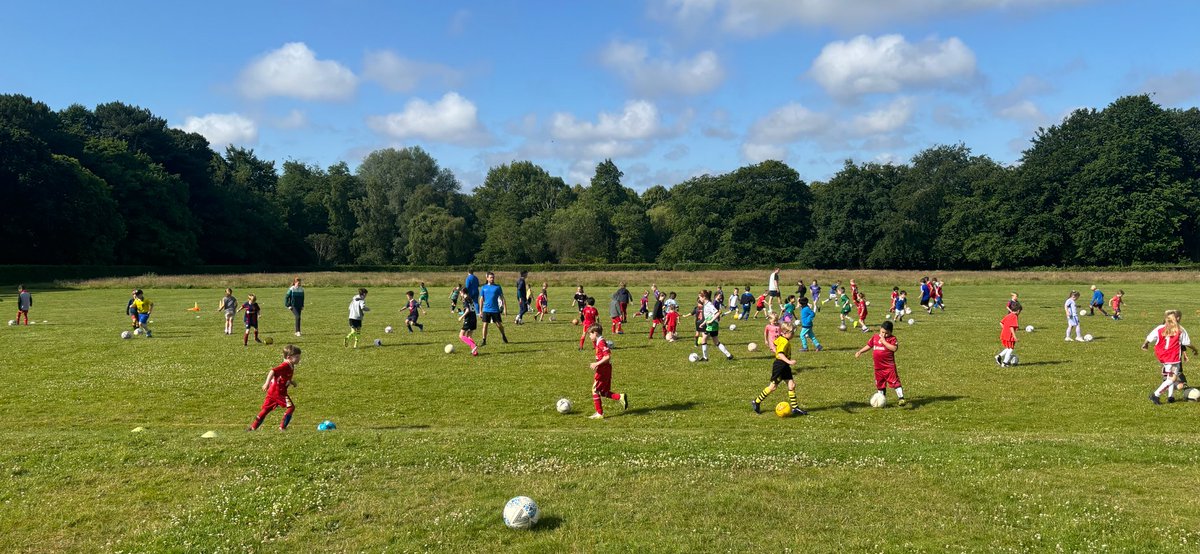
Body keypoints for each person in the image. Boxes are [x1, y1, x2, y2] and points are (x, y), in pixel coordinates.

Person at [750, 322, 806, 416]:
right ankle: (756, 401)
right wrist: (789, 361)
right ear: (785, 333)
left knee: (791, 385)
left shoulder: (782, 338)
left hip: (785, 366)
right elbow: (780, 354)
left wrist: (775, 349)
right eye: (792, 333)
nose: (793, 335)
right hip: (780, 366)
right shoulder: (784, 341)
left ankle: (795, 408)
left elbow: (774, 343)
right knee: (773, 387)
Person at [1143, 310, 1197, 404]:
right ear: (1177, 318)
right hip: (1172, 357)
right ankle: (1155, 395)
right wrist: (1195, 349)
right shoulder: (1180, 329)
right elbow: (1187, 343)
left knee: (1170, 376)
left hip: (1163, 356)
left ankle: (1170, 397)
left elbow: (1149, 338)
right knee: (1172, 379)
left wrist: (1145, 344)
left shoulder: (1160, 328)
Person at [247, 344, 301, 431]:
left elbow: (284, 376)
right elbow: (272, 371)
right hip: (279, 392)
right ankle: (282, 427)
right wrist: (266, 383)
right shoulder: (285, 365)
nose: (299, 359)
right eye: (297, 357)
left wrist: (291, 382)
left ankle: (253, 427)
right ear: (289, 357)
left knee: (266, 409)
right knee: (291, 407)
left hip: (273, 391)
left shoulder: (291, 365)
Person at [856, 320, 907, 406]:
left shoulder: (892, 339)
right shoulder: (875, 337)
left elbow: (894, 348)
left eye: (886, 333)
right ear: (880, 329)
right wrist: (860, 351)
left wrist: (884, 342)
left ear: (891, 332)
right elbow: (869, 345)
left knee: (894, 382)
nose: (883, 335)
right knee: (880, 384)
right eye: (882, 332)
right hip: (878, 367)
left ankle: (901, 398)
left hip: (889, 367)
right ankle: (881, 400)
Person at [587, 324, 628, 419]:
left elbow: (607, 356)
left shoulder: (601, 342)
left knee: (595, 390)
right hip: (605, 368)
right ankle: (620, 397)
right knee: (603, 391)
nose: (589, 336)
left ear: (595, 333)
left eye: (590, 334)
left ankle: (599, 413)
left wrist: (596, 363)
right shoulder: (599, 341)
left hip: (603, 369)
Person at [699, 289, 734, 361]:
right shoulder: (706, 304)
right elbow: (709, 316)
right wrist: (703, 323)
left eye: (700, 297)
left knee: (703, 339)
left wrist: (711, 321)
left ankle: (705, 357)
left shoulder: (709, 304)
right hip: (712, 325)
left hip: (712, 325)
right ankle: (729, 355)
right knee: (716, 342)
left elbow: (717, 313)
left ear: (704, 297)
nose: (699, 299)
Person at [477, 271, 509, 346]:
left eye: (493, 277)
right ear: (487, 278)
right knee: (485, 325)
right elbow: (481, 299)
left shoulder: (497, 287)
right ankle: (484, 340)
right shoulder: (484, 288)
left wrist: (505, 309)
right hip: (486, 309)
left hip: (495, 310)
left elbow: (502, 298)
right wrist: (480, 311)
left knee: (499, 325)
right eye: (491, 277)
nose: (492, 279)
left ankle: (503, 335)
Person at [997, 302, 1020, 366]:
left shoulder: (1008, 315)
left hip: (1004, 334)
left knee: (1008, 347)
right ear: (1018, 310)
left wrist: (1005, 329)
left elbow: (1001, 323)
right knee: (1010, 349)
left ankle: (999, 356)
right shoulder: (1014, 316)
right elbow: (1011, 327)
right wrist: (1014, 336)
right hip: (1010, 335)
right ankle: (1005, 363)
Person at [458, 289, 479, 356]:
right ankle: (475, 352)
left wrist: (461, 317)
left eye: (460, 293)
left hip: (469, 319)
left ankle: (473, 345)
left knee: (461, 335)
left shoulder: (465, 300)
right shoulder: (470, 299)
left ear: (463, 293)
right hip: (474, 318)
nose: (460, 294)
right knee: (469, 336)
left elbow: (467, 310)